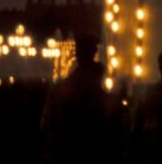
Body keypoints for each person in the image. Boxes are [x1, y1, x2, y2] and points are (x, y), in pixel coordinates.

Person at [42, 35, 119, 164]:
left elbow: (49, 122)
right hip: (86, 147)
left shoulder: (63, 87)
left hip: (68, 148)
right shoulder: (91, 87)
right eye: (93, 51)